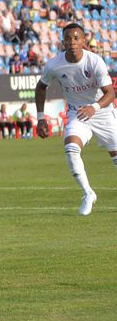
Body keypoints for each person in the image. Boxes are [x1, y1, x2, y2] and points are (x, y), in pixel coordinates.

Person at [35, 22, 117, 216]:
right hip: (77, 113)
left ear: (83, 41)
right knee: (71, 148)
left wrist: (94, 107)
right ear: (62, 41)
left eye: (76, 38)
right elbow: (40, 87)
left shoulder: (94, 61)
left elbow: (110, 93)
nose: (72, 42)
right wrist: (40, 119)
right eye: (68, 38)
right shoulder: (54, 64)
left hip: (103, 113)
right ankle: (88, 193)